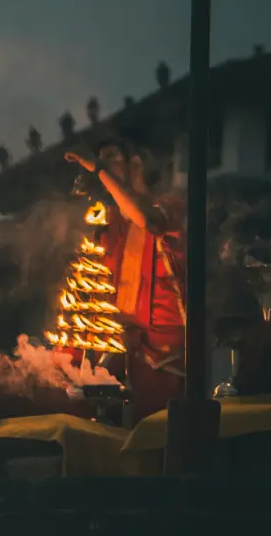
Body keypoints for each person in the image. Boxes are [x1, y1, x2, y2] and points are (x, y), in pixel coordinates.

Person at [65, 139, 187, 422]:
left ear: (137, 164)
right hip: (117, 346)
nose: (102, 166)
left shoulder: (169, 208)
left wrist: (98, 168)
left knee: (154, 429)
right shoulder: (111, 221)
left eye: (111, 157)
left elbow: (145, 218)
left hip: (161, 354)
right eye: (101, 159)